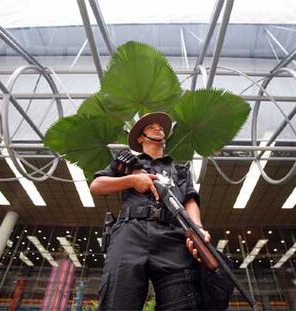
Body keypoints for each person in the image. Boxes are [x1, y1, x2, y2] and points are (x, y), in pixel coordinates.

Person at [90, 112, 212, 310]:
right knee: (117, 300)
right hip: (130, 233)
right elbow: (96, 186)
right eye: (151, 127)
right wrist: (132, 180)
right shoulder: (127, 163)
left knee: (183, 303)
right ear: (140, 138)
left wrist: (198, 228)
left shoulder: (180, 170)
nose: (158, 128)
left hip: (173, 236)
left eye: (161, 127)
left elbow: (190, 200)